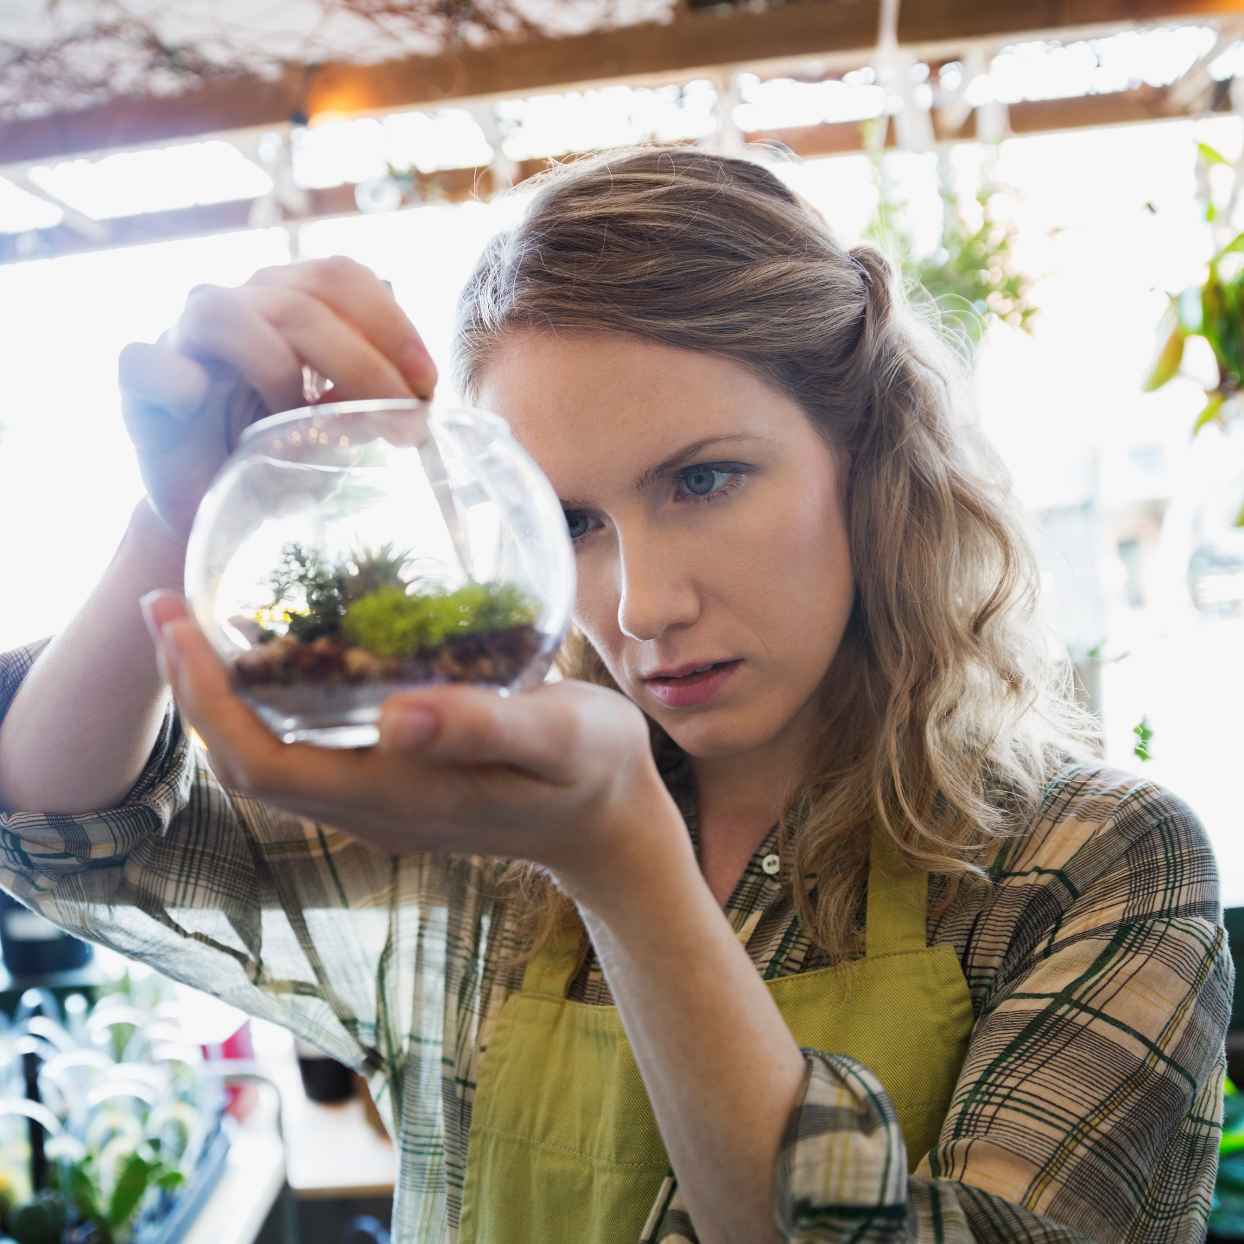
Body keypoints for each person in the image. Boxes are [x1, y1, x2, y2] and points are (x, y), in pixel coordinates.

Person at [0, 144, 1232, 1244]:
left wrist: (626, 869)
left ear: (864, 460)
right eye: (571, 519)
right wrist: (176, 520)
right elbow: (70, 830)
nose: (640, 605)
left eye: (702, 480)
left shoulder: (1088, 861)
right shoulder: (480, 840)